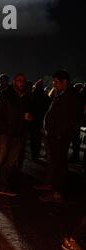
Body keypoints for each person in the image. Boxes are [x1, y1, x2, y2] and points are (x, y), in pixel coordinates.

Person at [36, 70, 83, 203]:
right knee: (54, 163)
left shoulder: (70, 96)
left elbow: (67, 119)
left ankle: (57, 193)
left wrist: (58, 134)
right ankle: (51, 186)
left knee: (59, 165)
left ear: (65, 82)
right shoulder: (62, 93)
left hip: (59, 137)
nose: (54, 85)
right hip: (55, 135)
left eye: (56, 82)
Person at [0, 73, 31, 196]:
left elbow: (26, 113)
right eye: (20, 80)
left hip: (18, 134)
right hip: (4, 134)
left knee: (10, 162)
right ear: (14, 81)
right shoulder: (4, 94)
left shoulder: (26, 96)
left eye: (24, 81)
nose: (22, 83)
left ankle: (2, 186)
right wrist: (3, 130)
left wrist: (28, 118)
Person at [29, 79, 51, 160]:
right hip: (41, 120)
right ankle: (36, 154)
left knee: (33, 138)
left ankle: (34, 154)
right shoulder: (46, 97)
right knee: (39, 139)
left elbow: (29, 107)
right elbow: (49, 109)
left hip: (33, 120)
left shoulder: (32, 95)